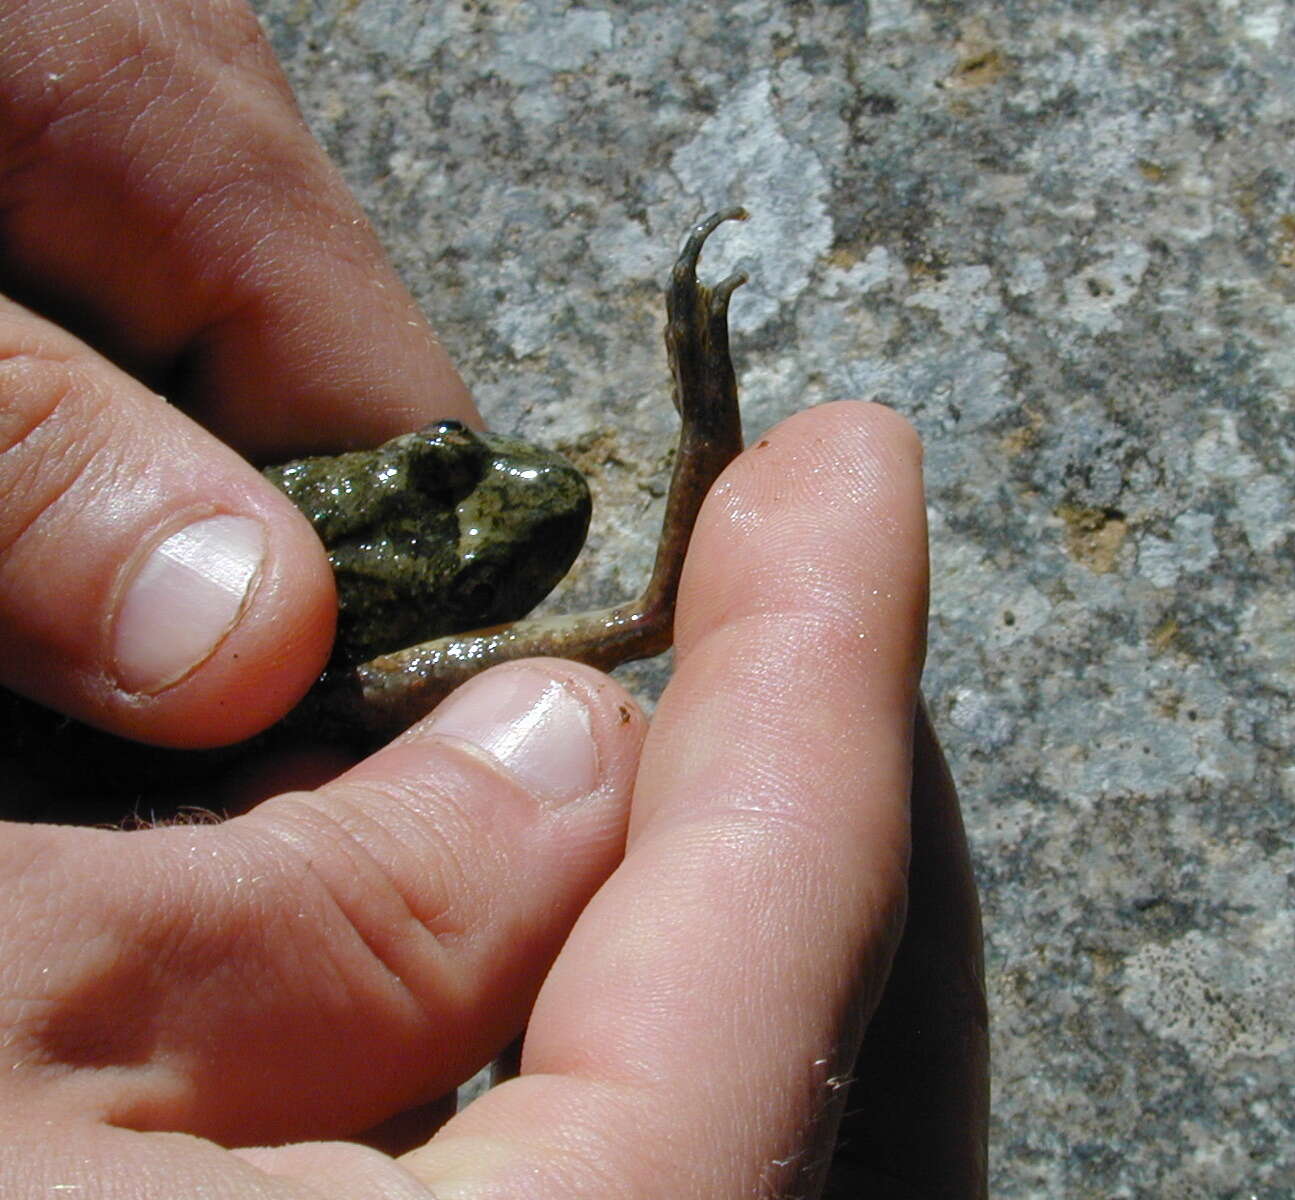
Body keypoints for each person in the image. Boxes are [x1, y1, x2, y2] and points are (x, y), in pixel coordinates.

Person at [0, 1, 988, 1195]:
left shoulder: (275, 511)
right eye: (480, 574)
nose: (521, 487)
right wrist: (703, 422)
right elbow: (646, 619)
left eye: (439, 461)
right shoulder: (358, 680)